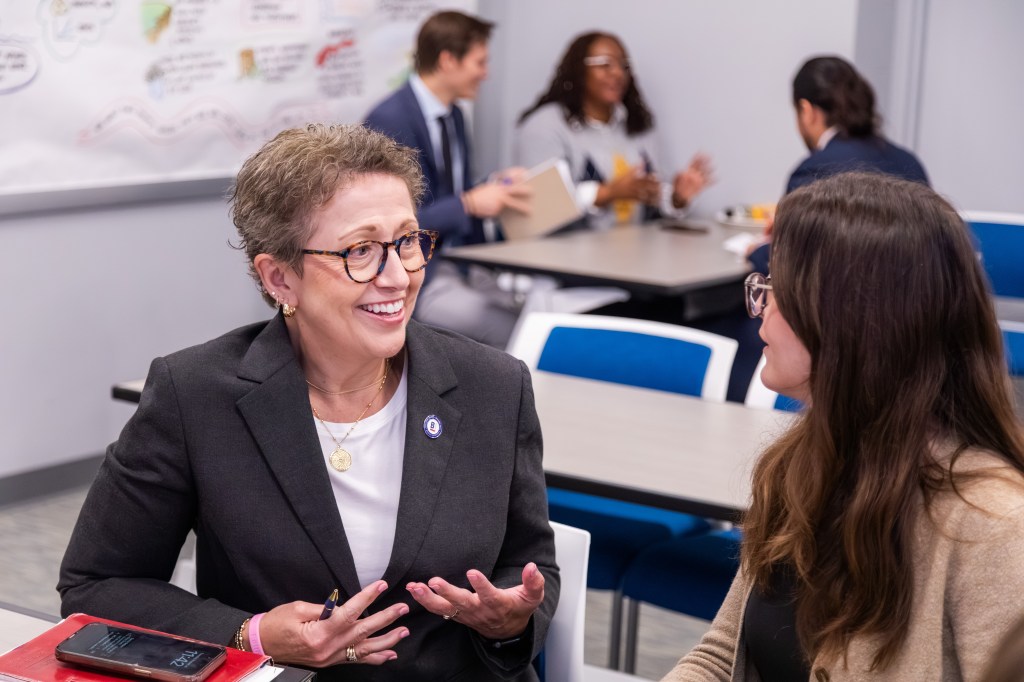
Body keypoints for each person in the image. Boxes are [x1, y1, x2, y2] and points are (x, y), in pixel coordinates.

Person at [58, 124, 559, 682]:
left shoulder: (494, 385)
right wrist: (249, 634)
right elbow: (97, 585)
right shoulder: (193, 394)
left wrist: (508, 621)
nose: (397, 277)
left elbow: (530, 564)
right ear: (279, 278)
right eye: (361, 251)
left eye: (409, 241)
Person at [664, 172, 1024, 681]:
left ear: (847, 322)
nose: (760, 311)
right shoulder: (800, 464)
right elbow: (719, 657)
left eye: (777, 290)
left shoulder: (993, 525)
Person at [364, 10, 529, 349]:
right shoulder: (389, 120)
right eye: (479, 63)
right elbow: (388, 223)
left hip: (463, 263)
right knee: (519, 330)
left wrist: (493, 185)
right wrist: (469, 204)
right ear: (448, 60)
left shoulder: (452, 115)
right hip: (421, 274)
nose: (485, 74)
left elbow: (448, 192)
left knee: (534, 315)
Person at [747, 55, 929, 274]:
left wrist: (762, 248)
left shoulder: (813, 171)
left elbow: (791, 265)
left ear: (806, 111)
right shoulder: (908, 161)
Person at [514, 31, 713, 230]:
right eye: (605, 64)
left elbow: (652, 196)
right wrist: (607, 193)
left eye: (623, 65)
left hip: (634, 254)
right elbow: (540, 209)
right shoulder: (545, 127)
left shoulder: (638, 125)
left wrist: (678, 197)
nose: (617, 73)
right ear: (578, 70)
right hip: (567, 257)